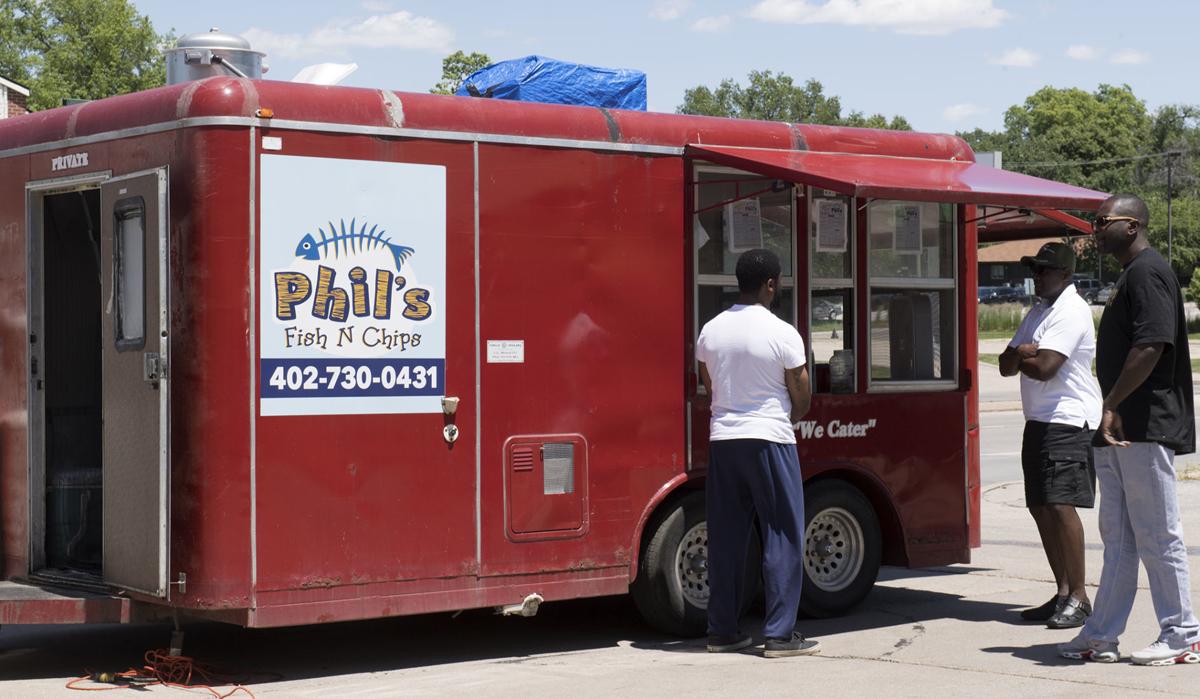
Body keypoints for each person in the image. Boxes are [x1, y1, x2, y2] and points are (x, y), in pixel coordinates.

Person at [1059, 193, 1200, 666]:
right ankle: (1101, 635)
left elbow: (1152, 344)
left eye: (1103, 222)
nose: (1095, 230)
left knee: (1159, 533)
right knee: (1118, 536)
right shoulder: (1129, 275)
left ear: (1132, 226)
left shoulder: (1148, 272)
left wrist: (1112, 404)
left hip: (1143, 421)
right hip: (1118, 423)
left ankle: (1183, 633)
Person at [695, 248, 819, 658]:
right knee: (781, 533)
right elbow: (801, 402)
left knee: (727, 537)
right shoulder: (783, 333)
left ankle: (722, 631)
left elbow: (710, 390)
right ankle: (779, 635)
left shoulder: (710, 331)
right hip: (770, 439)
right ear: (771, 283)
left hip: (724, 441)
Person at [999, 242, 1102, 630]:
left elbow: (1045, 367)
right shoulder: (1039, 311)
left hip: (1069, 420)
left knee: (1061, 505)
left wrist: (1022, 355)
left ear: (1066, 274)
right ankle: (1062, 593)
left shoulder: (1071, 311)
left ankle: (1079, 596)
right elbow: (1006, 365)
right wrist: (1024, 351)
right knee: (1041, 506)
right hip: (1039, 421)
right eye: (1035, 270)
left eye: (1045, 270)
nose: (1037, 275)